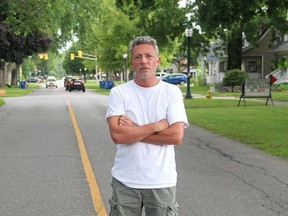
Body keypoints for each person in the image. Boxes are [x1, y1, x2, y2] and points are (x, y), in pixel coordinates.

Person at [106, 36, 189, 216]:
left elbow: (176, 136)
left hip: (161, 182)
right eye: (138, 57)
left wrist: (133, 129)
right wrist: (158, 125)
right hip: (125, 181)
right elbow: (118, 136)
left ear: (157, 61)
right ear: (132, 63)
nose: (144, 61)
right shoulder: (119, 93)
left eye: (148, 56)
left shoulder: (172, 92)